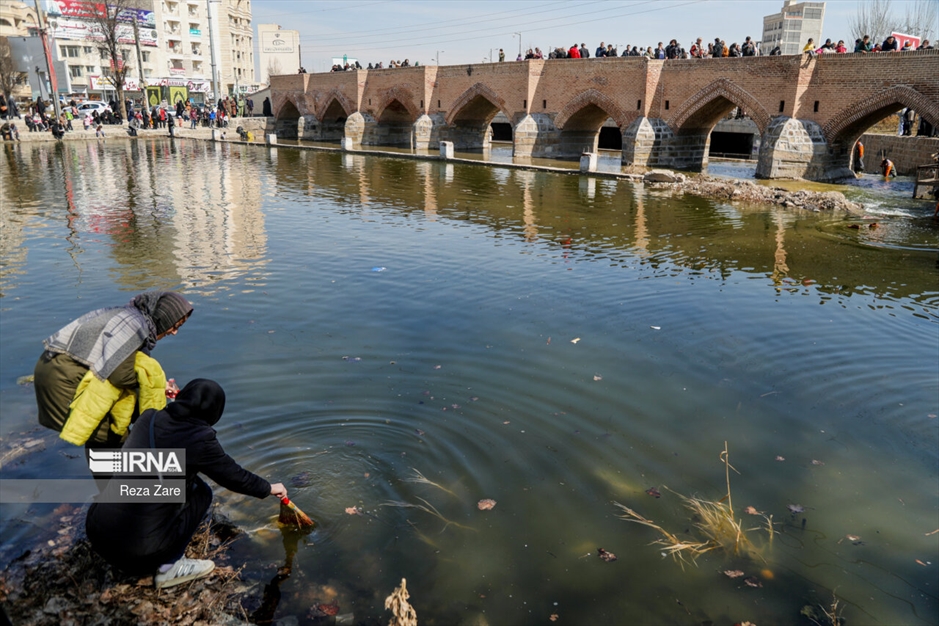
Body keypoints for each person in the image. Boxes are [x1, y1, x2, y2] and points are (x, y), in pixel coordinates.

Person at [85, 379, 288, 588]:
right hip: (138, 553)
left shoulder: (149, 417)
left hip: (97, 532)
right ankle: (170, 567)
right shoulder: (200, 438)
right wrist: (270, 488)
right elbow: (235, 477)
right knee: (202, 493)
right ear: (214, 412)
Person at [34, 292, 192, 447]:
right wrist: (153, 381)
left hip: (52, 367)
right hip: (62, 380)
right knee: (113, 438)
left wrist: (157, 384)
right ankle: (118, 472)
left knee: (108, 434)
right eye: (175, 325)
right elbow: (119, 375)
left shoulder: (129, 316)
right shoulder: (135, 326)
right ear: (163, 319)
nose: (174, 332)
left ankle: (114, 470)